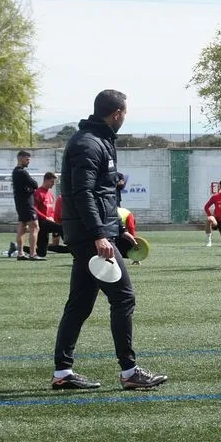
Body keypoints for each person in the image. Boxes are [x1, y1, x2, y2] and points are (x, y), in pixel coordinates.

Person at [51, 89, 167, 391]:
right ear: (116, 113)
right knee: (123, 298)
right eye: (124, 113)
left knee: (79, 304)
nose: (124, 119)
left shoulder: (98, 140)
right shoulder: (89, 144)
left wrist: (116, 230)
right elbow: (83, 193)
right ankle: (129, 372)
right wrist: (100, 235)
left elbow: (102, 194)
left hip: (95, 232)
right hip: (91, 236)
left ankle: (62, 373)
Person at [11, 150, 43, 261]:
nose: (28, 162)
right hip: (26, 204)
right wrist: (31, 187)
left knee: (22, 227)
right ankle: (33, 254)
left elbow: (31, 186)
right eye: (27, 159)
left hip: (20, 204)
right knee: (35, 227)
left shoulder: (15, 172)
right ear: (21, 158)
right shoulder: (22, 172)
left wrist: (30, 187)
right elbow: (34, 184)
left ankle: (20, 253)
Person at [34, 172, 69, 258]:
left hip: (49, 223)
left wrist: (52, 218)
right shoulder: (38, 193)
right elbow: (34, 209)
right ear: (46, 180)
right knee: (61, 228)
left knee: (42, 253)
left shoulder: (50, 195)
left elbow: (51, 211)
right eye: (52, 181)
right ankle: (71, 244)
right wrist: (46, 217)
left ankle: (19, 247)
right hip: (42, 222)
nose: (53, 184)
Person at [203, 179, 221, 248]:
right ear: (219, 187)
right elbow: (206, 207)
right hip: (216, 221)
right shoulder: (215, 197)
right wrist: (210, 216)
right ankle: (209, 241)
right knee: (209, 219)